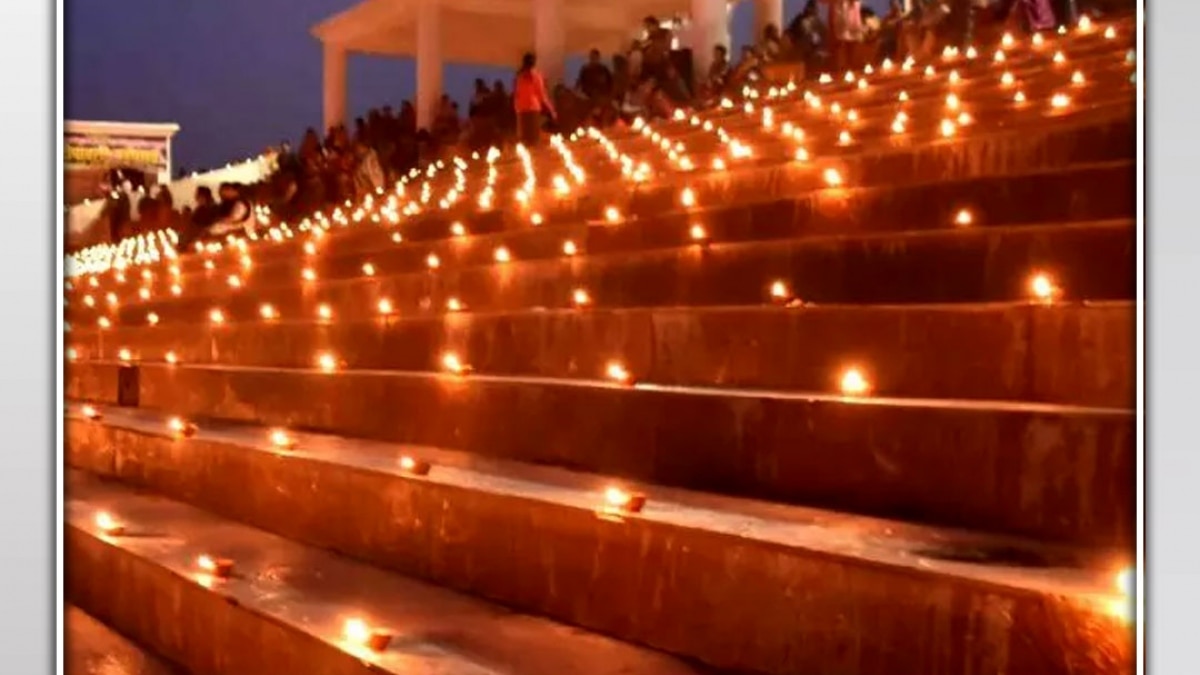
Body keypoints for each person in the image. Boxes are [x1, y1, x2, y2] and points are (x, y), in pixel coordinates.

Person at [513, 52, 556, 146]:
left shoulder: (518, 77)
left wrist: (517, 108)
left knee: (524, 140)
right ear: (534, 63)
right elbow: (542, 95)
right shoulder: (536, 76)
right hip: (532, 109)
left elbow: (516, 94)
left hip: (521, 110)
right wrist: (551, 111)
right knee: (533, 140)